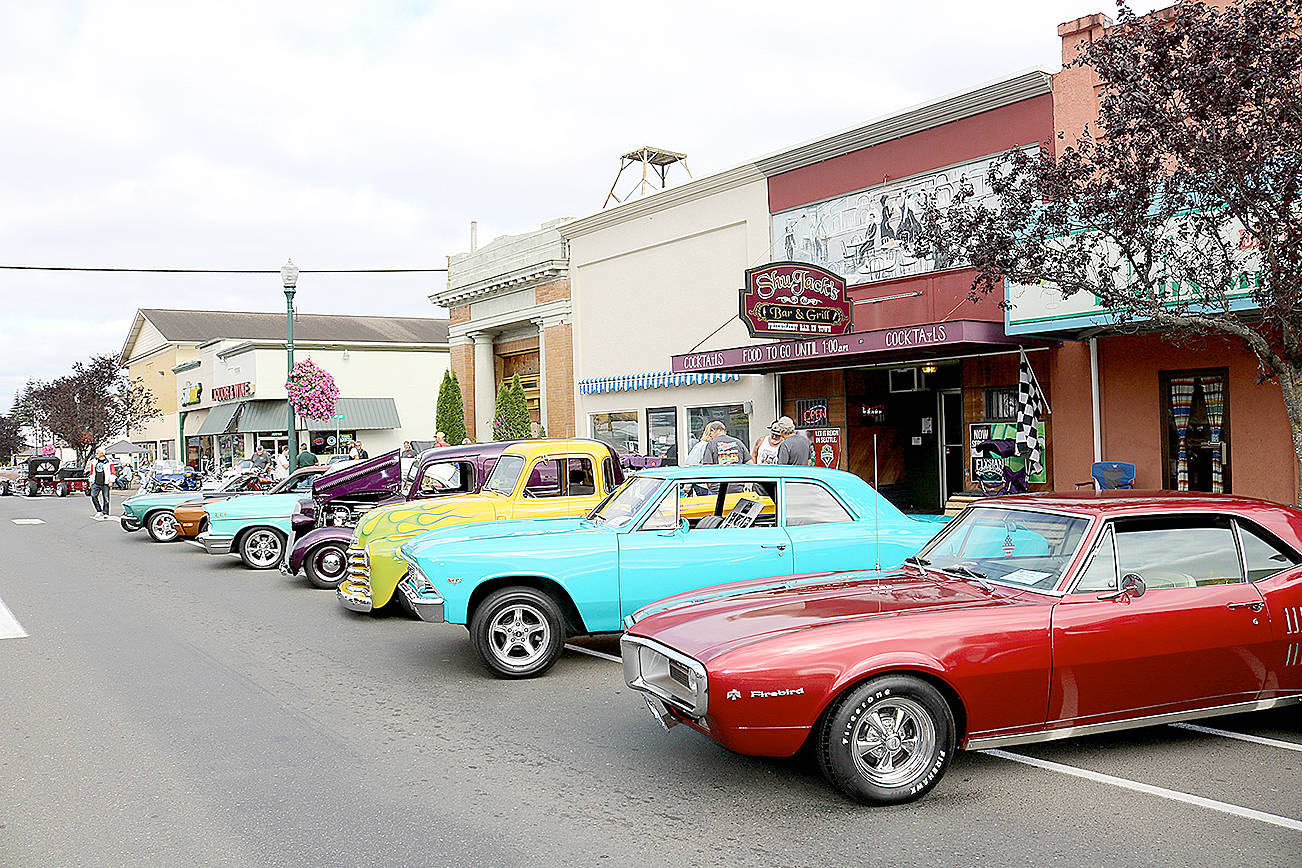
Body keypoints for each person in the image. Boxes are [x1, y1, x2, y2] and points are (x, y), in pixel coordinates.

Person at [86, 447, 116, 520]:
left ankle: (105, 512)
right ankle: (99, 511)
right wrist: (91, 481)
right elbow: (92, 472)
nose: (96, 454)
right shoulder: (94, 462)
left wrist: (111, 481)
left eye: (97, 453)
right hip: (96, 482)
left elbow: (113, 472)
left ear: (102, 454)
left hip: (105, 483)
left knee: (106, 499)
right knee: (93, 496)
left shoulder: (109, 462)